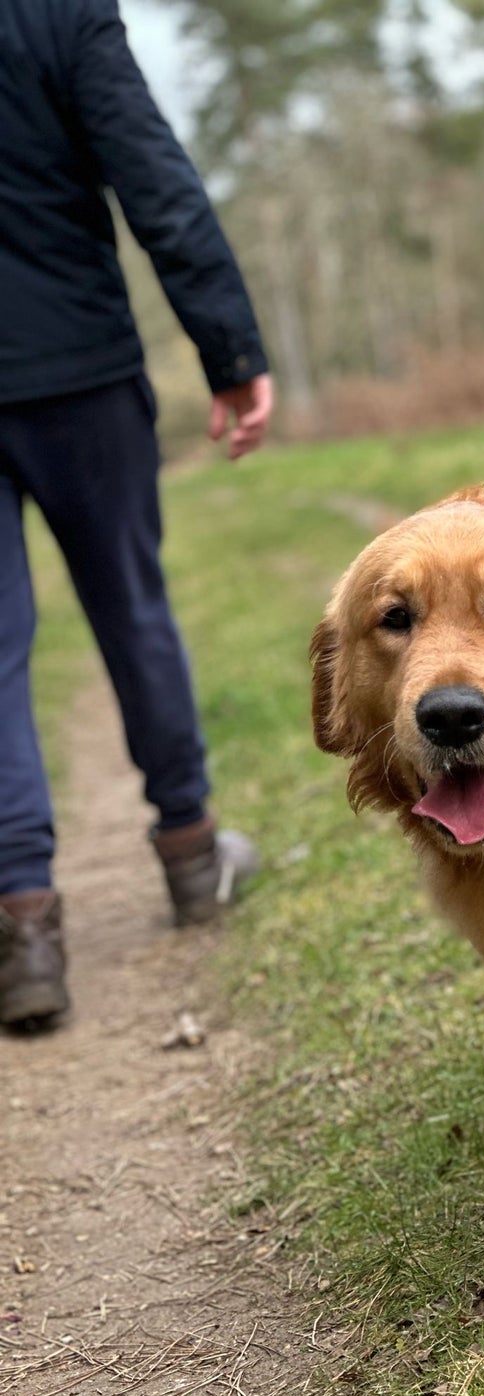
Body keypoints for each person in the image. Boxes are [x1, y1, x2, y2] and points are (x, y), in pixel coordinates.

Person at [0, 0, 274, 1028]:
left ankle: (23, 928)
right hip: (77, 368)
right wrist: (231, 350)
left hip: (71, 366)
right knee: (131, 606)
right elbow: (153, 177)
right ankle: (193, 857)